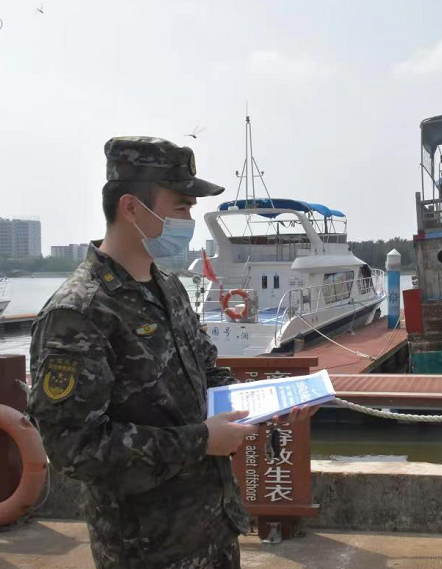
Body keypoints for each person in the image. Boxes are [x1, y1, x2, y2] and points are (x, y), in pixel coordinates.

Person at [27, 136, 316, 569]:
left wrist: (263, 406)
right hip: (146, 549)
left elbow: (208, 371)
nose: (191, 219)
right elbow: (75, 448)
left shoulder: (169, 288)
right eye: (181, 207)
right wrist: (201, 440)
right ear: (131, 208)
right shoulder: (79, 312)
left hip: (213, 530)